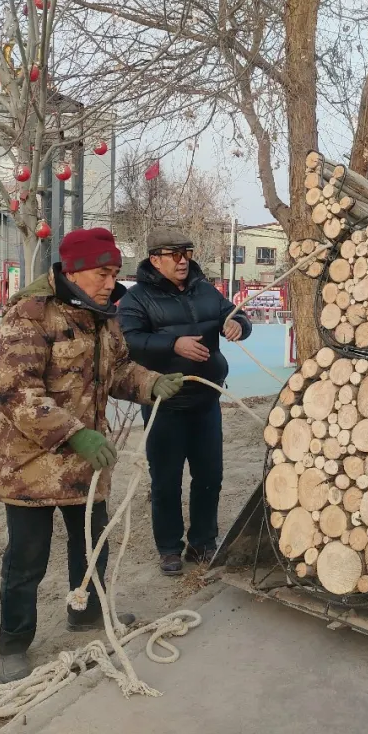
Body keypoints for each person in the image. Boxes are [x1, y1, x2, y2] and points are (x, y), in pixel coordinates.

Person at [0, 227, 185, 683]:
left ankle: (87, 612)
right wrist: (75, 434)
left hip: (85, 464)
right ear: (74, 271)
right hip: (32, 465)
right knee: (27, 559)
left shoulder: (103, 316)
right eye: (103, 273)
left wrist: (150, 383)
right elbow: (16, 393)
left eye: (115, 273)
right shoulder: (29, 315)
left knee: (93, 544)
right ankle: (13, 644)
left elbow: (117, 369)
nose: (110, 283)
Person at [117, 228, 252, 576]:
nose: (182, 261)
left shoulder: (205, 290)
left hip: (206, 400)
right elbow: (128, 341)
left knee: (210, 476)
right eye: (174, 254)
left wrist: (238, 324)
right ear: (155, 259)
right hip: (165, 406)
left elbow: (236, 314)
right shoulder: (136, 299)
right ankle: (169, 548)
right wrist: (173, 344)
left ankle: (203, 542)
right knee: (166, 481)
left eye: (187, 253)